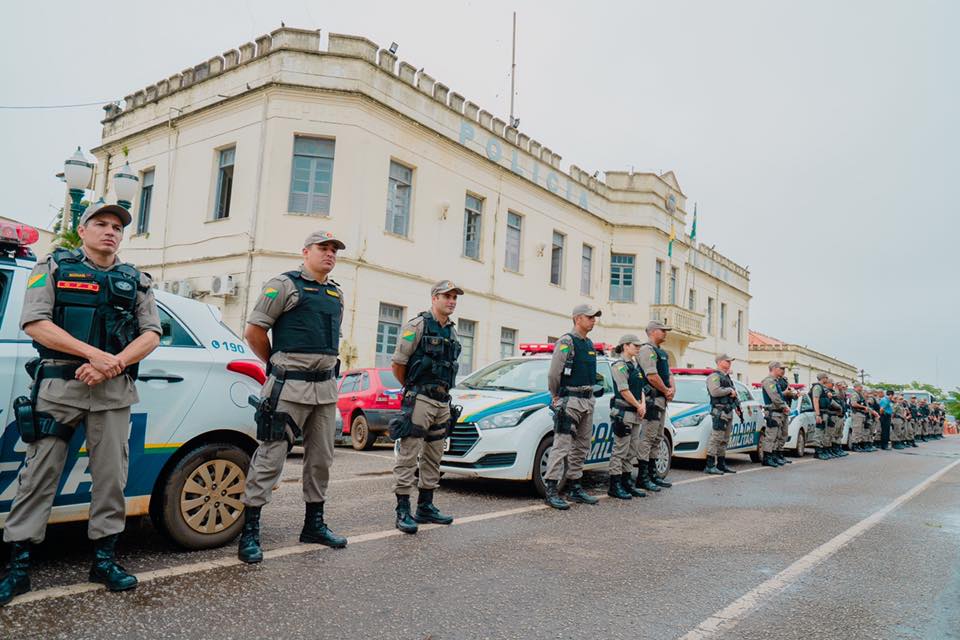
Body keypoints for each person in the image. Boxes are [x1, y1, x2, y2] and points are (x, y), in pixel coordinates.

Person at [0, 202, 161, 606]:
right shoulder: (52, 267)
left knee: (111, 479)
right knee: (39, 475)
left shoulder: (136, 280)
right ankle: (19, 567)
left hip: (112, 391)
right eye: (101, 224)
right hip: (60, 387)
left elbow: (152, 334)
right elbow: (36, 323)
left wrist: (113, 364)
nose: (110, 231)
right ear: (83, 230)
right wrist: (94, 355)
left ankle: (104, 561)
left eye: (117, 227)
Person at [238, 231, 349, 564]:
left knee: (321, 459)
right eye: (323, 248)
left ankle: (313, 525)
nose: (329, 254)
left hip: (325, 389)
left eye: (334, 250)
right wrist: (275, 364)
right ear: (305, 252)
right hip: (289, 386)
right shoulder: (282, 285)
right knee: (271, 456)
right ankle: (250, 532)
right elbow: (254, 331)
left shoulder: (335, 293)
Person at [389, 281, 464, 532]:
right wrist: (412, 390)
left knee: (434, 455)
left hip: (443, 401)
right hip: (420, 398)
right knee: (409, 454)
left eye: (454, 297)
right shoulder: (417, 325)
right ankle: (402, 510)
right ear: (434, 298)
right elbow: (398, 363)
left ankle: (425, 506)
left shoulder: (452, 331)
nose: (451, 301)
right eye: (447, 296)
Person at [542, 304, 604, 510]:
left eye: (594, 317)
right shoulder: (567, 341)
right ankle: (551, 489)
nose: (593, 320)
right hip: (570, 400)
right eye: (590, 317)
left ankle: (575, 486)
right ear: (578, 319)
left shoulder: (589, 344)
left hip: (587, 400)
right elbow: (554, 374)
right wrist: (556, 395)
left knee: (582, 446)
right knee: (561, 446)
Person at [635, 321, 675, 491]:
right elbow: (651, 376)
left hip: (661, 400)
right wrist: (666, 390)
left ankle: (652, 475)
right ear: (652, 332)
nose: (665, 333)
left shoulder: (662, 353)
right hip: (651, 400)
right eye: (662, 330)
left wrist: (672, 389)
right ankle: (642, 477)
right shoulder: (646, 350)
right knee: (647, 438)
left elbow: (669, 373)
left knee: (657, 438)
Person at [607, 334, 646, 499]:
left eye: (639, 346)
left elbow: (641, 388)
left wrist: (642, 404)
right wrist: (638, 406)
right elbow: (624, 390)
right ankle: (615, 486)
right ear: (625, 346)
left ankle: (627, 483)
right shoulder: (620, 366)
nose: (638, 348)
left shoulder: (635, 366)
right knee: (620, 450)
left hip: (635, 413)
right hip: (624, 413)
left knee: (632, 450)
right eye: (634, 345)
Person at [704, 354, 742, 475]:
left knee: (724, 439)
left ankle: (721, 464)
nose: (730, 363)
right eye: (727, 361)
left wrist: (737, 407)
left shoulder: (727, 377)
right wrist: (729, 391)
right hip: (719, 411)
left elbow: (734, 395)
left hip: (728, 410)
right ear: (719, 362)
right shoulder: (714, 376)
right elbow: (715, 392)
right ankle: (710, 465)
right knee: (716, 438)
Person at [760, 362, 790, 468]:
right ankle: (767, 457)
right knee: (771, 436)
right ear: (774, 368)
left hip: (778, 412)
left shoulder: (775, 381)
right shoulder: (769, 381)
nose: (783, 370)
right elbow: (775, 397)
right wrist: (784, 406)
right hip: (773, 412)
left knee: (777, 435)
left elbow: (779, 396)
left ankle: (773, 456)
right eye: (781, 368)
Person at [810, 373, 835, 460]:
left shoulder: (823, 388)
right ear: (823, 378)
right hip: (820, 412)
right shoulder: (817, 387)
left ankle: (822, 450)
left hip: (824, 412)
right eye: (826, 378)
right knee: (819, 432)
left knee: (823, 432)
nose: (827, 379)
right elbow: (815, 400)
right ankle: (818, 452)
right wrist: (817, 414)